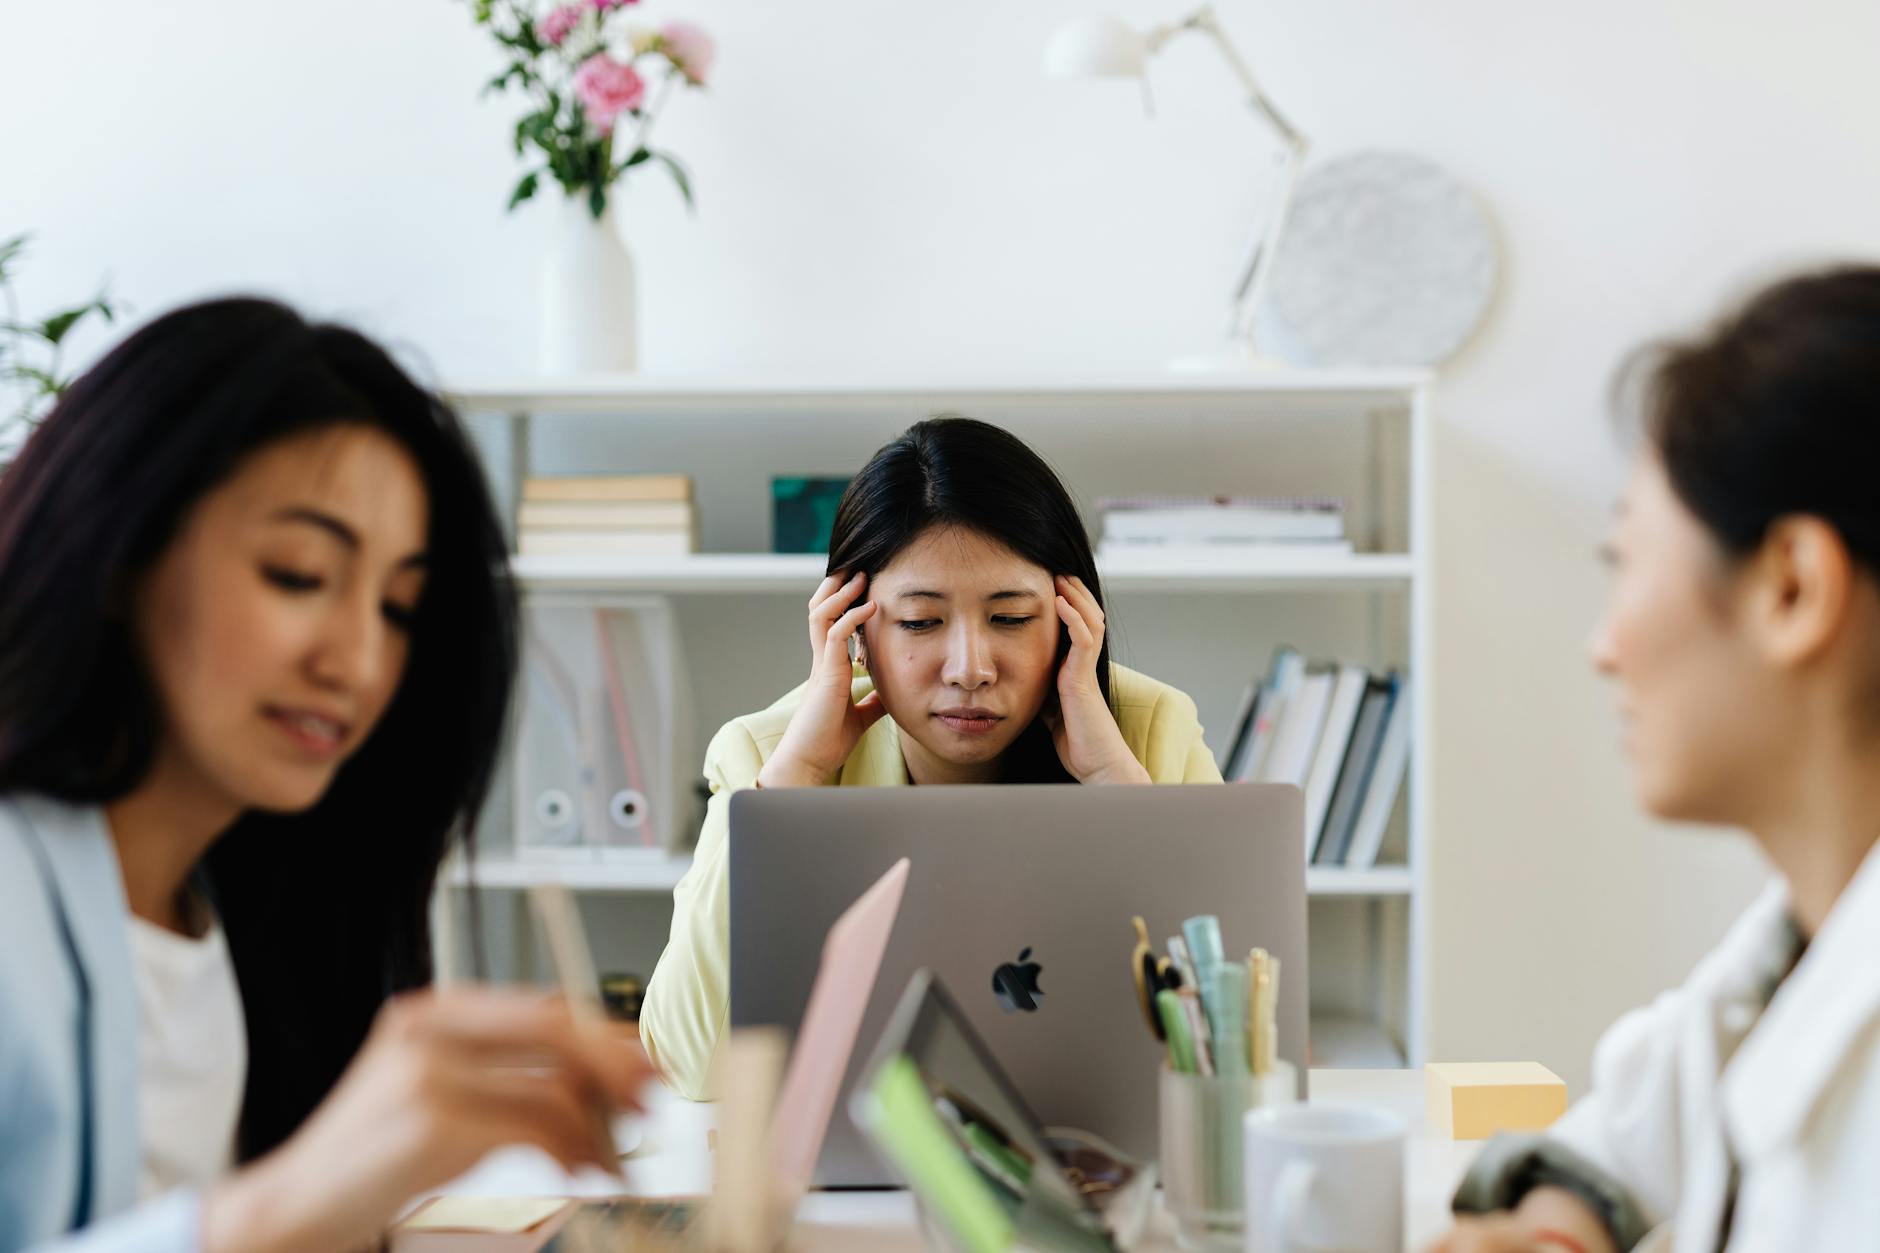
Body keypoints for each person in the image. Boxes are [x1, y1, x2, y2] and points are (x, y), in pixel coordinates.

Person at [0, 298, 653, 1253]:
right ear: (119, 550)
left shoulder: (247, 915)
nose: (357, 661)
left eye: (398, 607)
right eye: (299, 574)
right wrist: (284, 1206)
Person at [1430, 267, 1880, 1253]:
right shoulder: (1800, 937)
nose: (1602, 645)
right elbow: (1630, 1131)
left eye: (1623, 560)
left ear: (1791, 590)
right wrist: (1559, 1224)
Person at [639, 415, 1223, 1098]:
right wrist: (793, 781)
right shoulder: (766, 756)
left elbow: (1228, 1045)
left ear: (1072, 621)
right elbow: (698, 1063)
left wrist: (1111, 779)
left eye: (1010, 617)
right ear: (852, 630)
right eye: (920, 621)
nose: (970, 668)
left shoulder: (1149, 733)